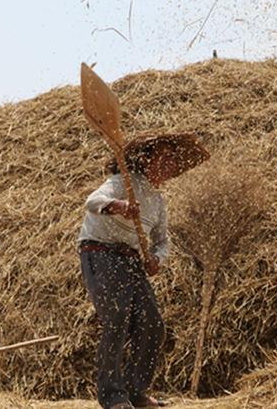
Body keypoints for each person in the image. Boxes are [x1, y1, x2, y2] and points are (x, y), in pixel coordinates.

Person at [78, 133, 209, 409]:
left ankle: (136, 391)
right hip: (100, 252)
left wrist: (157, 260)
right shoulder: (122, 182)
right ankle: (112, 396)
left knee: (152, 324)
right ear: (147, 160)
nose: (168, 164)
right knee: (117, 317)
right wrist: (119, 206)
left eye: (172, 160)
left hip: (130, 260)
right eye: (162, 158)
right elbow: (92, 201)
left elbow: (163, 240)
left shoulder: (158, 202)